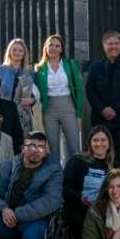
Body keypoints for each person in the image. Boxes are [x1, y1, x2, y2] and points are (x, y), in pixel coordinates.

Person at [86, 32, 120, 164]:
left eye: (116, 43)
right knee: (100, 158)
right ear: (104, 46)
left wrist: (115, 109)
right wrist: (102, 109)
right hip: (100, 120)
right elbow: (90, 91)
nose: (113, 47)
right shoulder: (95, 67)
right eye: (110, 44)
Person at [34, 34, 84, 164]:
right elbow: (36, 90)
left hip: (68, 107)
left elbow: (78, 87)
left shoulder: (69, 64)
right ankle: (56, 179)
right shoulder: (39, 68)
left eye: (57, 46)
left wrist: (78, 111)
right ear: (46, 47)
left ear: (61, 49)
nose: (54, 48)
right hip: (49, 110)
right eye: (51, 45)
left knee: (74, 146)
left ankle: (74, 176)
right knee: (53, 148)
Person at [62, 126, 116, 239]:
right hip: (79, 210)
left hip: (104, 211)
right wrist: (81, 200)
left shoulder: (114, 166)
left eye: (103, 140)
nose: (99, 144)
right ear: (90, 143)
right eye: (95, 140)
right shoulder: (77, 161)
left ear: (109, 143)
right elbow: (65, 188)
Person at [0, 39, 37, 135]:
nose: (17, 52)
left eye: (20, 50)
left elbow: (36, 93)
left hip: (23, 116)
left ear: (24, 53)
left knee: (22, 144)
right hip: (4, 114)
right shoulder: (0, 70)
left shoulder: (30, 73)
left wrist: (33, 100)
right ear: (9, 52)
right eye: (14, 50)